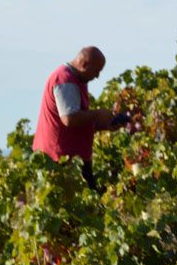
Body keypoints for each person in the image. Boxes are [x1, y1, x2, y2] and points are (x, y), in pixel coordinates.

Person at [32, 46, 130, 191]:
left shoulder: (77, 80)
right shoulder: (65, 80)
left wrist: (105, 125)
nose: (97, 76)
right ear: (84, 65)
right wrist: (98, 114)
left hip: (73, 159)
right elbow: (69, 118)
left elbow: (78, 121)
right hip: (59, 160)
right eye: (96, 71)